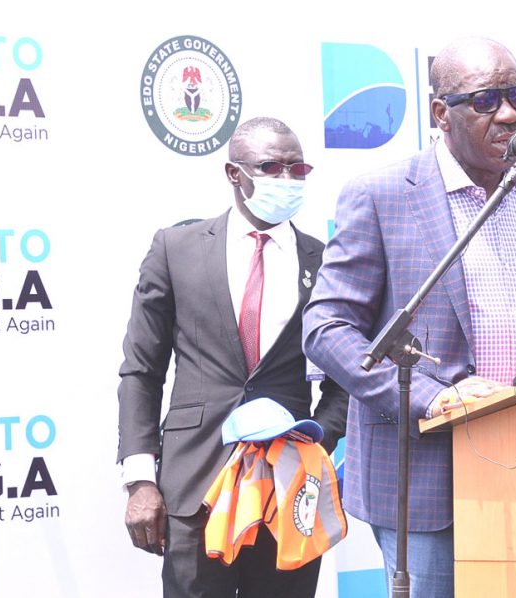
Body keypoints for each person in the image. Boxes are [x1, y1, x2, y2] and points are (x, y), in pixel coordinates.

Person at [302, 37, 516, 597]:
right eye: (486, 100)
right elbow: (327, 329)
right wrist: (432, 397)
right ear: (441, 113)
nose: (510, 114)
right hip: (429, 478)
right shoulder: (382, 195)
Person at [117, 116, 349, 598]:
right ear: (233, 173)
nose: (287, 179)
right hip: (195, 485)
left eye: (297, 168)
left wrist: (314, 444)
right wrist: (140, 479)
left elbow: (345, 374)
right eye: (271, 167)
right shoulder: (176, 249)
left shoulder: (326, 260)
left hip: (290, 491)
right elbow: (142, 370)